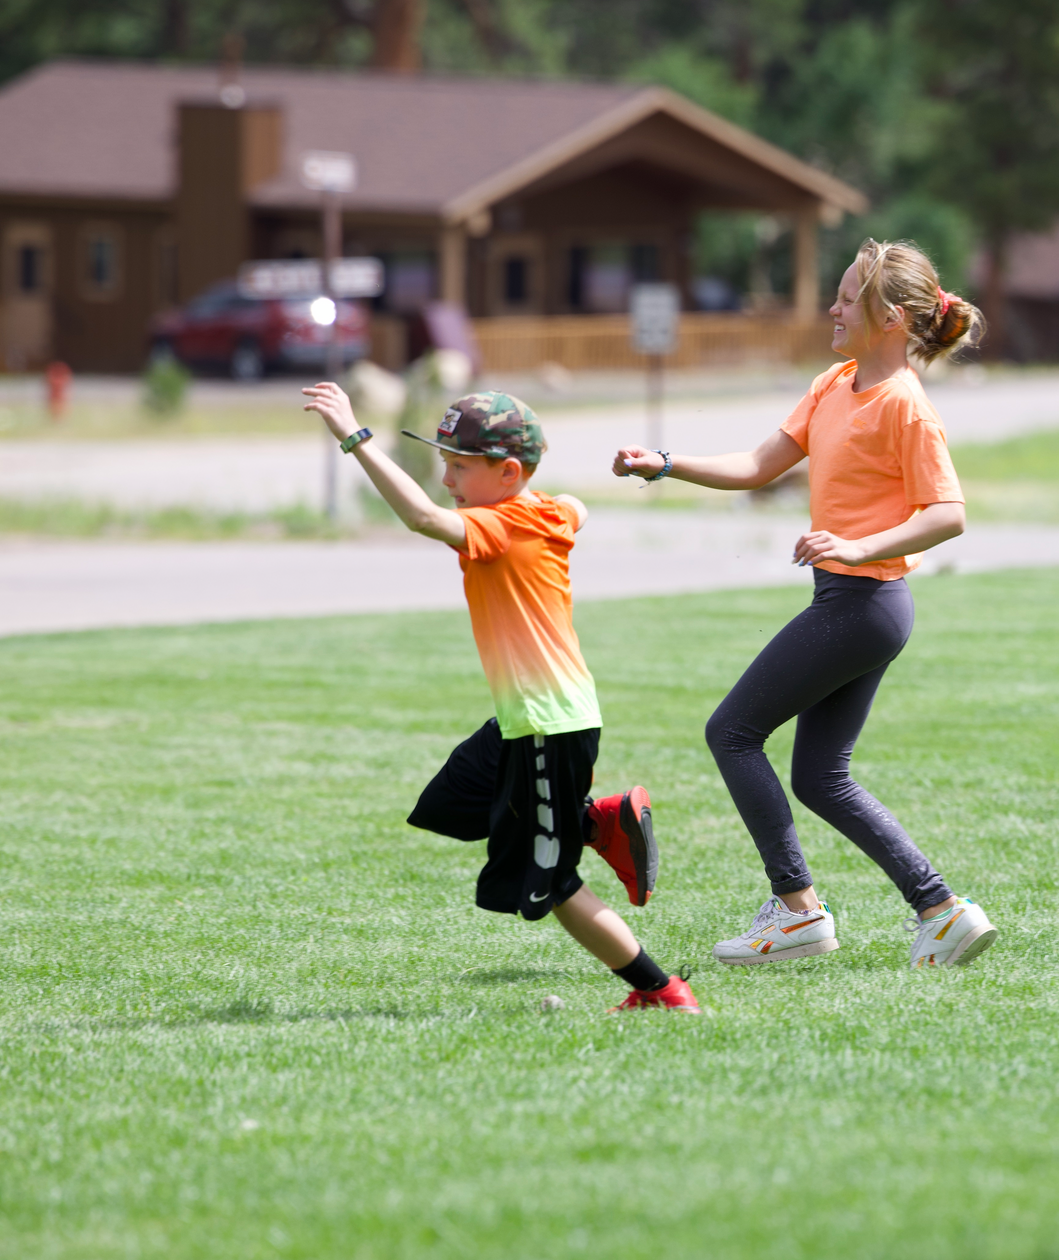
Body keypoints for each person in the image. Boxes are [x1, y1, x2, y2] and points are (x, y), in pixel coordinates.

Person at [612, 239, 997, 970]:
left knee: (731, 730)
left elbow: (947, 512)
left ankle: (798, 911)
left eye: (848, 296)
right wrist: (667, 463)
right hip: (857, 603)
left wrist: (858, 547)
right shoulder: (835, 383)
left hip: (865, 601)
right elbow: (759, 465)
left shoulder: (905, 406)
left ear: (889, 316)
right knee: (821, 776)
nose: (833, 305)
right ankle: (941, 910)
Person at [301, 383, 696, 1011]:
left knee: (548, 880)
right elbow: (574, 504)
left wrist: (356, 438)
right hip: (532, 721)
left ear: (508, 472)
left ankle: (662, 991)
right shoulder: (547, 511)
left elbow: (422, 518)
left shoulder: (501, 524)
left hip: (546, 727)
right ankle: (596, 821)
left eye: (459, 466)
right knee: (452, 803)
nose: (446, 476)